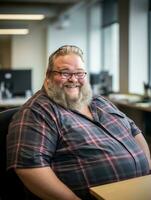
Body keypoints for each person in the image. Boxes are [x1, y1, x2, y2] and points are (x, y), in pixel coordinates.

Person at [7, 45, 151, 200]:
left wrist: (147, 169)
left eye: (79, 73)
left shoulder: (100, 101)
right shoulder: (38, 111)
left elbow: (133, 130)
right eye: (65, 73)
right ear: (48, 76)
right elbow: (29, 167)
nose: (73, 79)